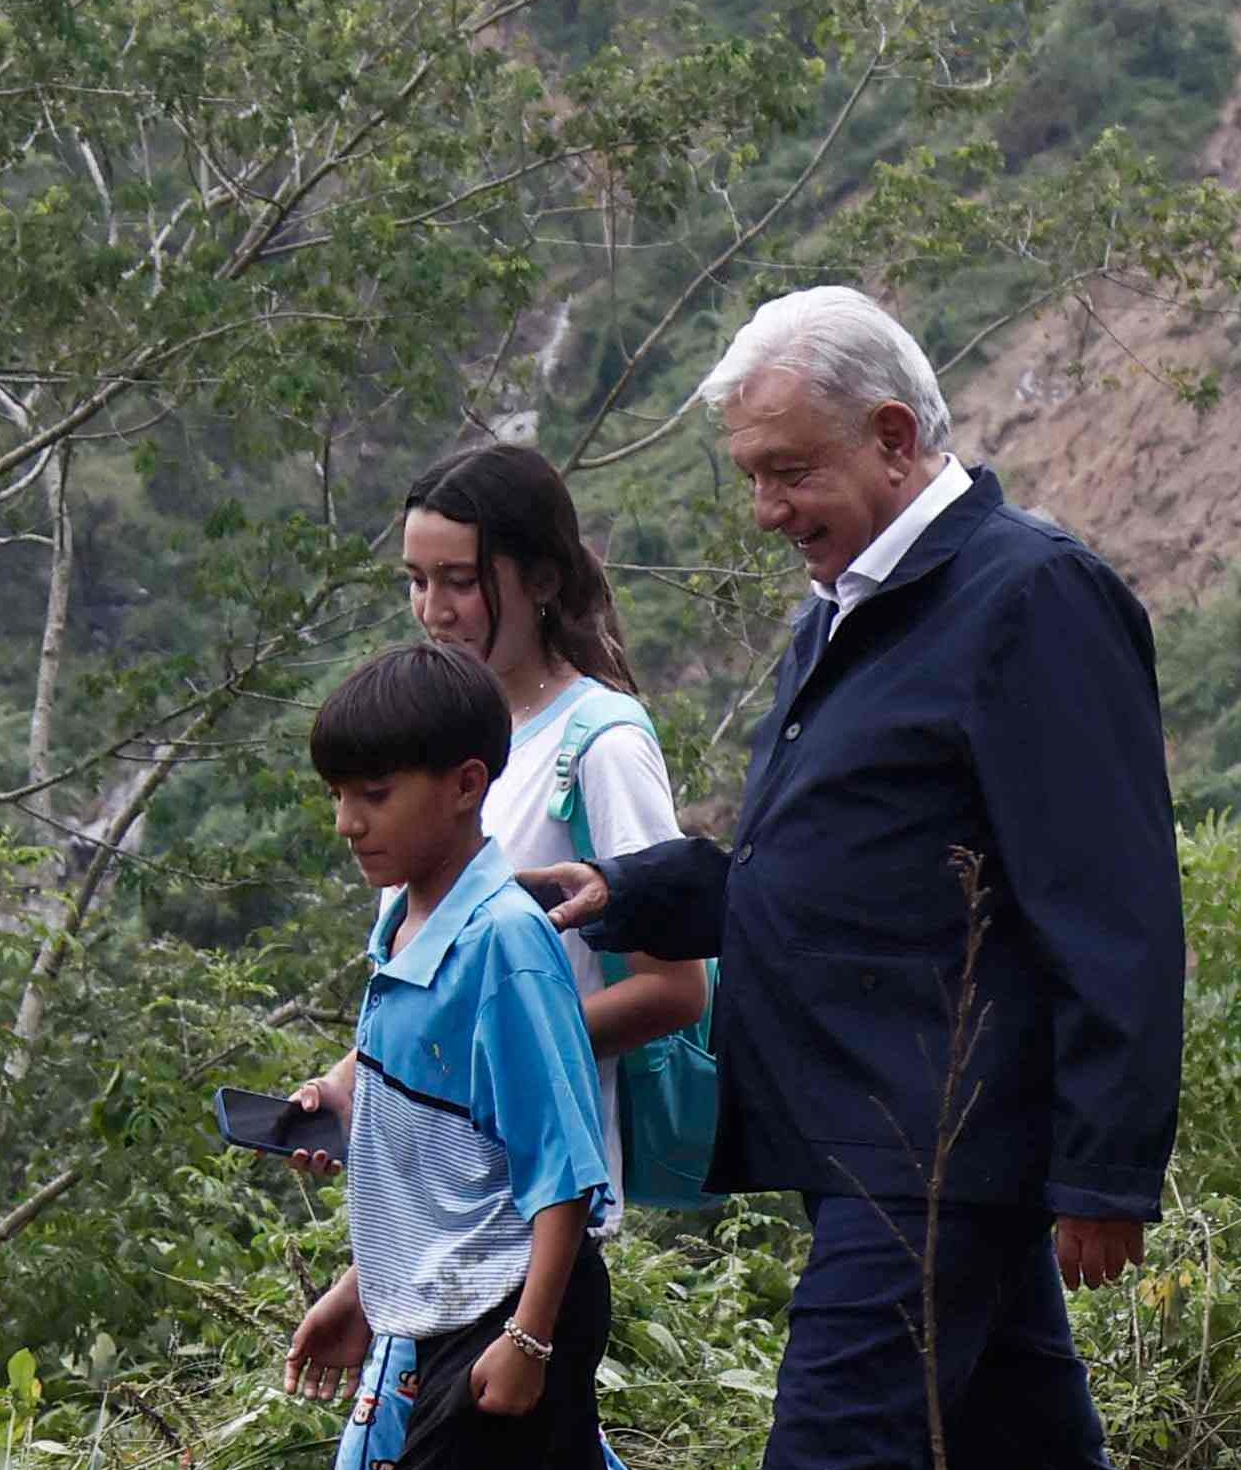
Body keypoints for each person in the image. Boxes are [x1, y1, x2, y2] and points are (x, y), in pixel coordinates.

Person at [517, 285, 1182, 1470]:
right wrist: (633, 890)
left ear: (890, 433)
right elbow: (842, 873)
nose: (768, 509)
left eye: (789, 471)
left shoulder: (1029, 595)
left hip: (930, 1140)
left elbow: (1112, 897)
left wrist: (1107, 1166)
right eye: (753, 477)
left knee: (833, 1449)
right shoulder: (846, 613)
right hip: (874, 1132)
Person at [291, 446, 706, 1470]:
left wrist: (491, 1055)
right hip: (444, 1234)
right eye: (417, 580)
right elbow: (433, 1000)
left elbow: (671, 983)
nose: (434, 607)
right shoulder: (424, 745)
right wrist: (359, 1083)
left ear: (540, 576)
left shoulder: (595, 742)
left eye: (460, 579)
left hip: (522, 1220)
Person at [283, 642, 617, 1470]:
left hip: (513, 1305)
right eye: (336, 795)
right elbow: (446, 1170)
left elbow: (565, 1167)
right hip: (455, 1304)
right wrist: (364, 1292)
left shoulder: (504, 947)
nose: (346, 823)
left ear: (467, 784)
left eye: (374, 795)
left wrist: (529, 1341)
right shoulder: (403, 924)